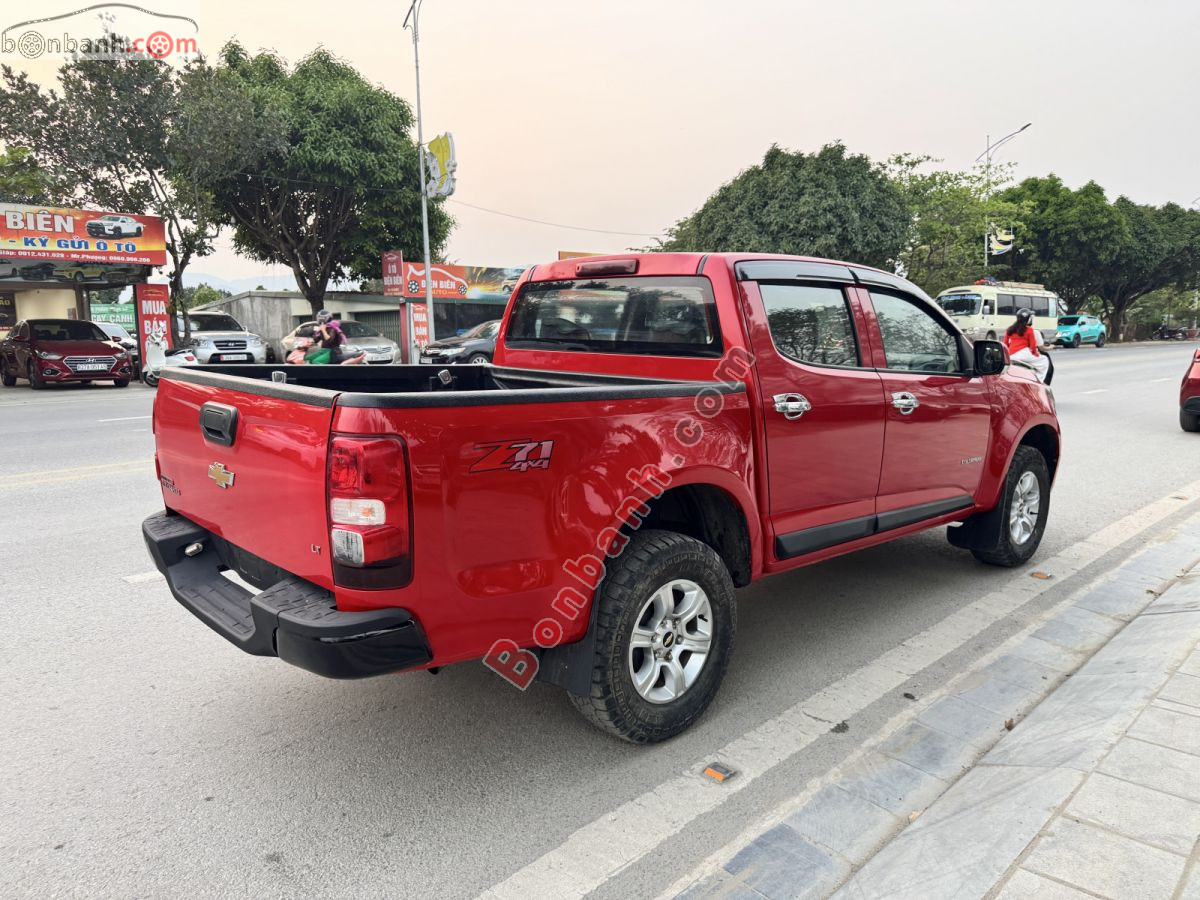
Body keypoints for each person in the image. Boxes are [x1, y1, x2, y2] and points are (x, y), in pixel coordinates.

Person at [1004, 308, 1052, 384]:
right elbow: (1033, 346)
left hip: (1011, 355)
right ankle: (1039, 380)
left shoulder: (1009, 329)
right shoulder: (1029, 330)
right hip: (1024, 354)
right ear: (1028, 319)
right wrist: (1036, 354)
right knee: (1044, 360)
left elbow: (1005, 344)